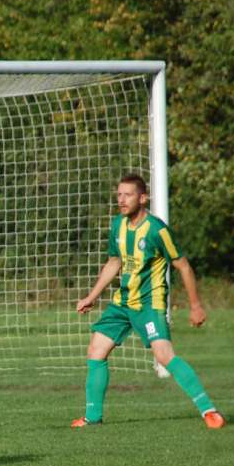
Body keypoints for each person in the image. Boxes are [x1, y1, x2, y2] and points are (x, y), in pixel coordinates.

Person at [72, 174, 225, 429]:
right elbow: (114, 262)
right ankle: (92, 418)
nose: (121, 200)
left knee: (164, 356)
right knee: (95, 352)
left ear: (143, 198)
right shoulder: (117, 226)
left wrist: (195, 305)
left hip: (148, 304)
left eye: (128, 195)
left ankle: (209, 411)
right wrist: (91, 296)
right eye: (119, 194)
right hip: (122, 303)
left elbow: (183, 266)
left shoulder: (157, 229)